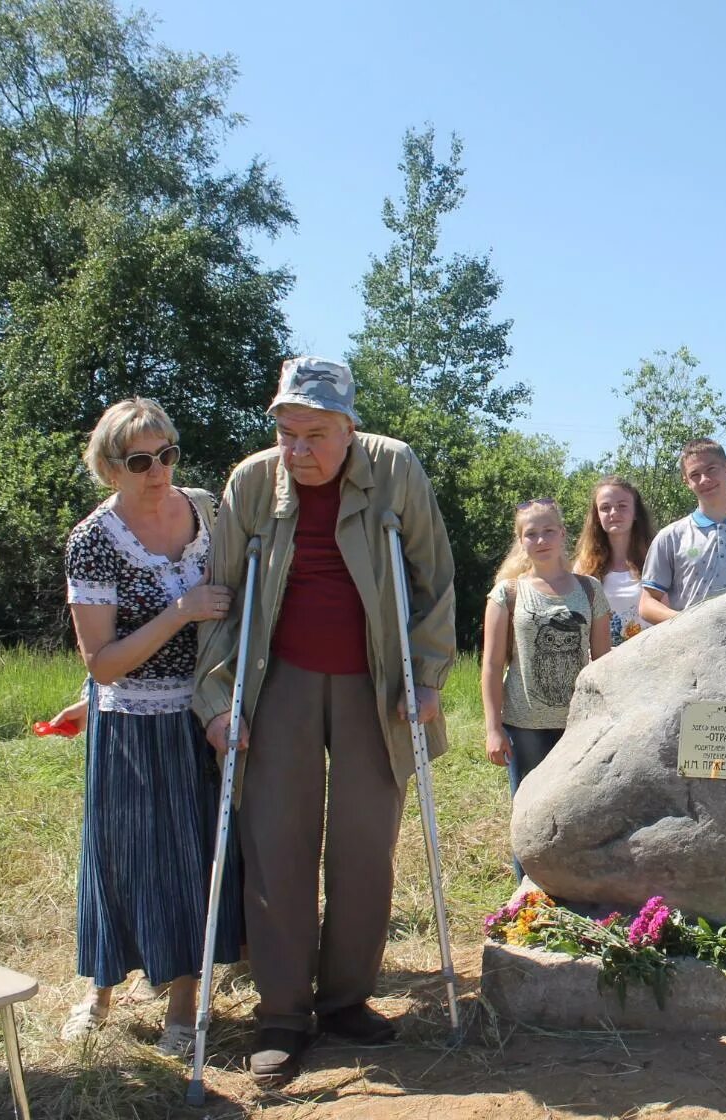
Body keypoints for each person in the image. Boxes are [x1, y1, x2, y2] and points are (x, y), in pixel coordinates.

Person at [193, 357, 455, 1087]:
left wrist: (426, 677)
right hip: (279, 680)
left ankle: (344, 999)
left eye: (314, 435)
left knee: (365, 847)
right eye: (286, 433)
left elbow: (435, 581)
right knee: (277, 842)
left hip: (377, 684)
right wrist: (218, 704)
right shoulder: (251, 481)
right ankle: (282, 1012)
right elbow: (222, 600)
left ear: (349, 427)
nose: (298, 451)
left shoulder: (394, 469)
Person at [60, 397, 242, 1057]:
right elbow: (103, 663)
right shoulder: (94, 539)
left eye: (167, 454)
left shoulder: (203, 512)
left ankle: (185, 1010)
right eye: (140, 460)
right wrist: (179, 611)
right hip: (131, 722)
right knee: (121, 861)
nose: (158, 470)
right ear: (109, 467)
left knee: (193, 861)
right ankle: (100, 992)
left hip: (197, 715)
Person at [483, 497, 611, 870]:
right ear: (520, 540)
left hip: (579, 724)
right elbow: (491, 665)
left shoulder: (589, 591)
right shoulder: (507, 593)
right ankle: (527, 901)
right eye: (531, 533)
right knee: (530, 816)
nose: (541, 540)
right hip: (525, 726)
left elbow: (603, 663)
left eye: (548, 531)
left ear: (563, 533)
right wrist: (493, 728)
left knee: (578, 810)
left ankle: (572, 894)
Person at [641, 439, 726, 624]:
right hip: (690, 645)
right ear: (686, 481)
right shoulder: (671, 537)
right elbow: (647, 603)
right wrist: (686, 622)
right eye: (695, 474)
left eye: (711, 469)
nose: (705, 480)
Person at [573, 476, 656, 647]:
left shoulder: (655, 558)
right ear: (597, 516)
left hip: (649, 659)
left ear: (635, 513)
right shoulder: (584, 567)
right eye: (605, 508)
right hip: (602, 663)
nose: (613, 513)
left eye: (622, 506)